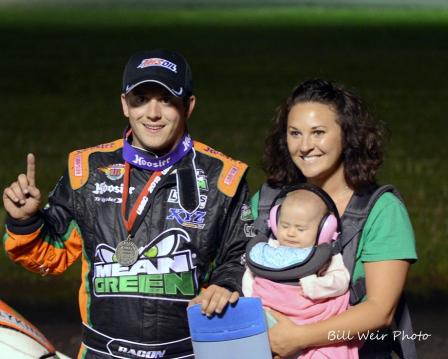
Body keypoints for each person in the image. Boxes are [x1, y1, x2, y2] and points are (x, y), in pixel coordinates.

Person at [2, 48, 253, 358]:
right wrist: (25, 221)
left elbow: (242, 252)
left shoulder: (223, 177)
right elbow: (51, 256)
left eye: (166, 100)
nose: (152, 113)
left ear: (188, 106)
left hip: (189, 353)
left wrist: (227, 283)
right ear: (124, 104)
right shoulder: (87, 170)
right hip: (102, 352)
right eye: (141, 99)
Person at [252, 79, 417, 358]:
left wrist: (298, 338)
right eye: (295, 133)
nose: (305, 146)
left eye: (318, 133)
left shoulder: (382, 211)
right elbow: (236, 268)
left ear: (347, 135)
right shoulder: (269, 201)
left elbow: (380, 310)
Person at [243, 187, 358, 359]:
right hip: (269, 316)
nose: (290, 233)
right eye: (284, 225)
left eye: (300, 229)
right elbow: (250, 274)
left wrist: (316, 286)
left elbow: (341, 280)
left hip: (310, 318)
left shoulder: (324, 255)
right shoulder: (268, 249)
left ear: (324, 229)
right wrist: (251, 296)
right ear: (274, 222)